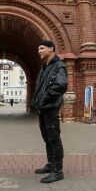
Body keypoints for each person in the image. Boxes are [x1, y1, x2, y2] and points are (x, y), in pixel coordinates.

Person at [32, 40, 68, 183]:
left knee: (54, 138)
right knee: (47, 137)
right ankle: (51, 163)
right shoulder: (45, 67)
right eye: (38, 49)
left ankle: (58, 170)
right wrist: (37, 103)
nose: (39, 51)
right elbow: (40, 87)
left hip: (50, 108)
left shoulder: (59, 66)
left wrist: (43, 100)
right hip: (43, 109)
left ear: (51, 48)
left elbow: (60, 85)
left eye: (42, 48)